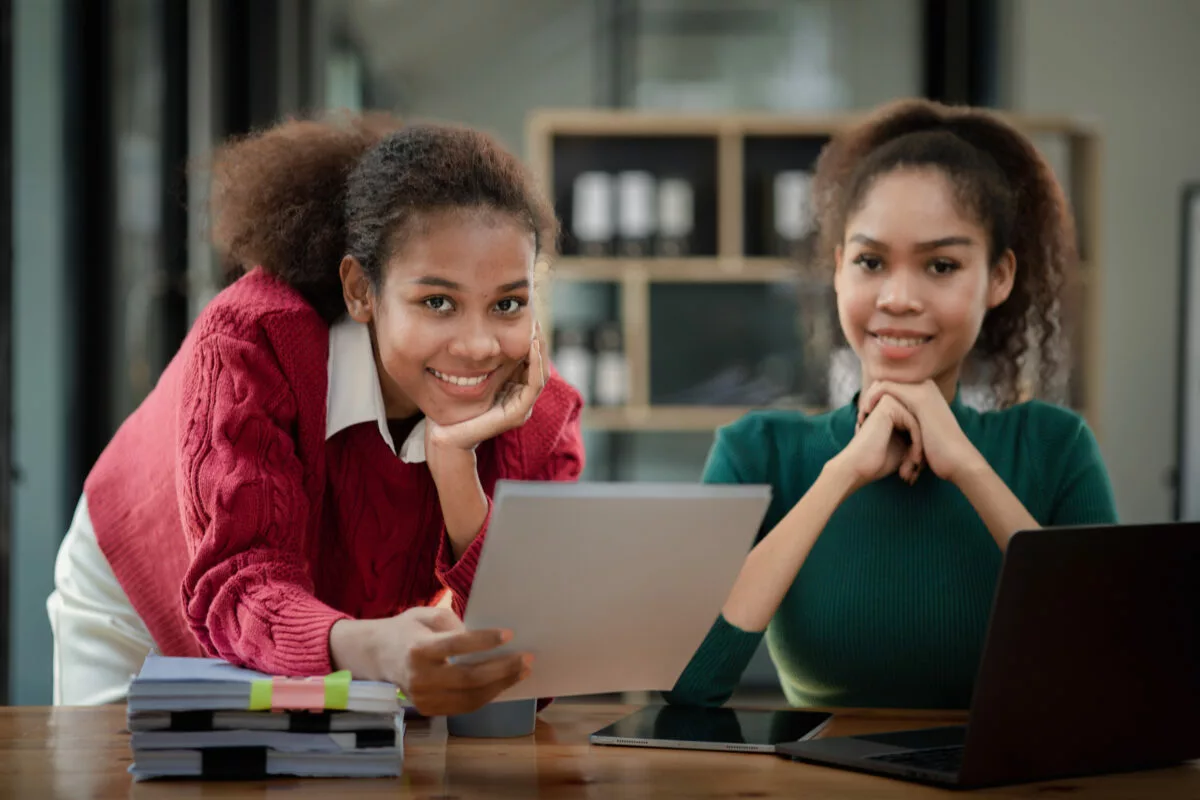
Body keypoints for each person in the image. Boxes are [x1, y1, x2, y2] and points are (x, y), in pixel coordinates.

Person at [46, 113, 585, 716]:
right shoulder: (254, 343)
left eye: (508, 303)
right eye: (438, 302)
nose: (479, 345)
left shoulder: (543, 417)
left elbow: (526, 673)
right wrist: (367, 648)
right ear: (360, 290)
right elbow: (240, 583)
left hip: (339, 632)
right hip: (147, 580)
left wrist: (457, 470)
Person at [666, 99, 1117, 710]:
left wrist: (967, 465)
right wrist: (842, 473)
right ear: (838, 271)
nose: (898, 297)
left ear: (1000, 277)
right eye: (871, 262)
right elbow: (688, 684)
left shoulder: (1055, 448)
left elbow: (1108, 670)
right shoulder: (758, 451)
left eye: (941, 265)